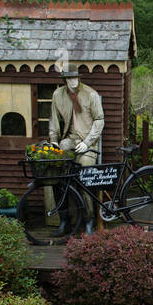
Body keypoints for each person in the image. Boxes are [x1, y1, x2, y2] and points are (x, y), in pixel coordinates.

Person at [48, 68, 105, 235]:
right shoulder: (58, 95)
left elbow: (99, 120)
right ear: (64, 79)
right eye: (69, 78)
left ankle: (89, 220)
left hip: (87, 142)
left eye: (75, 78)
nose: (72, 81)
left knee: (85, 177)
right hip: (68, 139)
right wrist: (53, 141)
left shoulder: (91, 94)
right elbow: (54, 119)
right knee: (55, 172)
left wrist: (88, 143)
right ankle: (64, 220)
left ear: (79, 78)